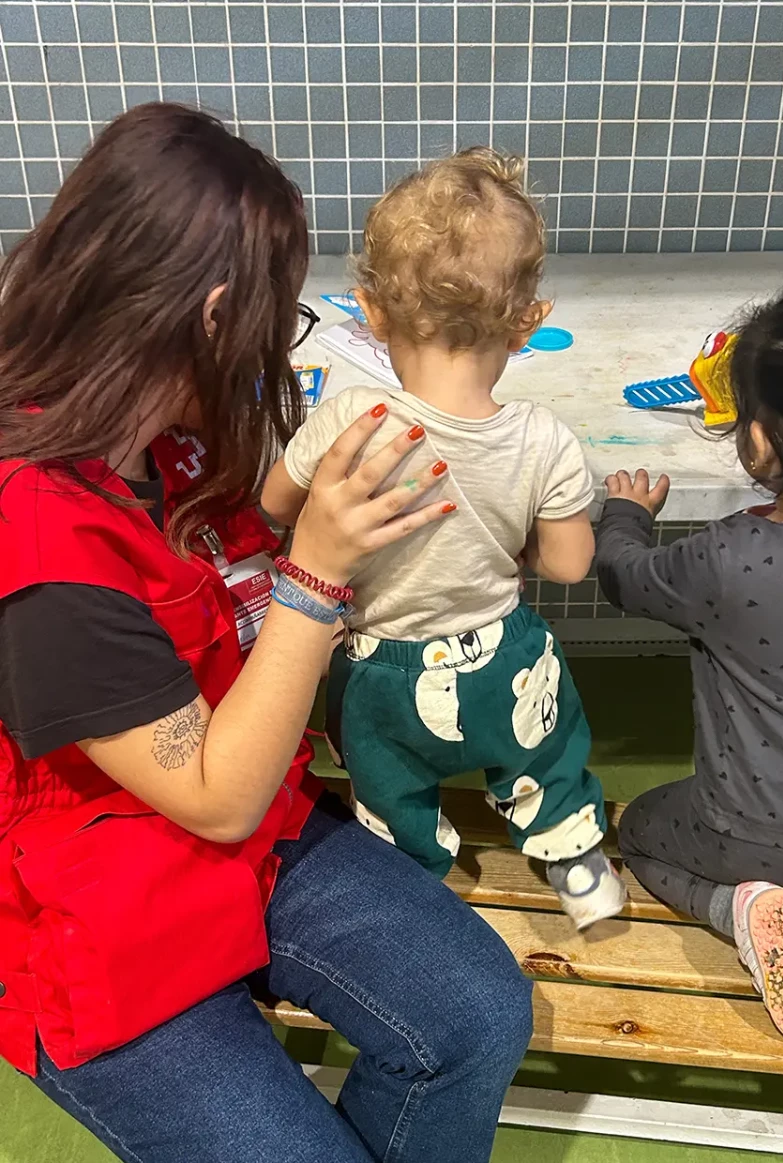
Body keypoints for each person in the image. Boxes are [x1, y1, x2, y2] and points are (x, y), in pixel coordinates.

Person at [0, 104, 533, 1163]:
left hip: (249, 842)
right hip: (101, 907)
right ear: (207, 313)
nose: (274, 344)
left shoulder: (172, 444)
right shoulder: (41, 548)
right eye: (274, 314)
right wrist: (319, 569)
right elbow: (215, 788)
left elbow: (242, 604)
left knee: (474, 1012)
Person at [262, 148, 625, 930]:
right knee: (547, 748)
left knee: (386, 785)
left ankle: (416, 874)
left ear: (371, 309)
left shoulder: (347, 417)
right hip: (503, 657)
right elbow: (569, 565)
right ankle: (575, 858)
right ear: (529, 321)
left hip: (380, 674)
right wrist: (516, 537)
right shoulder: (544, 438)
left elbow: (274, 502)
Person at [595, 287, 783, 1044]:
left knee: (642, 832)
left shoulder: (726, 557)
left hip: (744, 834)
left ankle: (741, 908)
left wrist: (626, 516)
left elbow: (620, 577)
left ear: (761, 442)